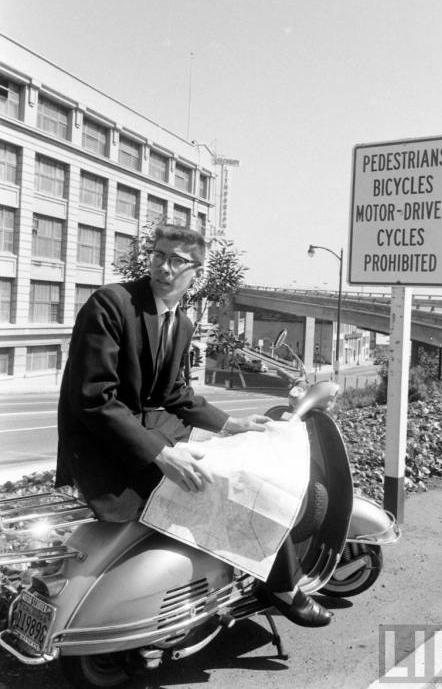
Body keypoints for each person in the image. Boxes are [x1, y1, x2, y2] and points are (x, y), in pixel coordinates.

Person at [56, 223, 329, 627]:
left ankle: (249, 571)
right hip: (105, 446)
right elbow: (94, 400)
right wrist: (163, 455)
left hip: (151, 430)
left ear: (196, 272)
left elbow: (174, 394)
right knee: (234, 482)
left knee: (250, 463)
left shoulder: (180, 322)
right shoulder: (110, 304)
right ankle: (282, 585)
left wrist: (230, 423)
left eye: (177, 260)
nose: (164, 267)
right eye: (159, 255)